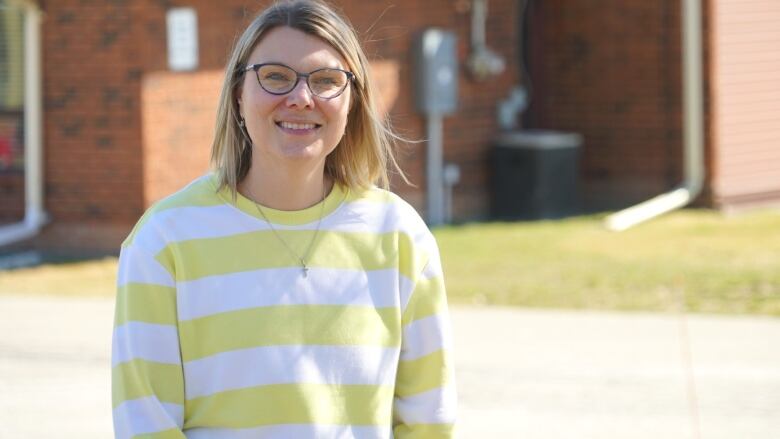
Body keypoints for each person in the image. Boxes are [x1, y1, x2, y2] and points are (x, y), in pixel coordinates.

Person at [111, 0, 456, 438]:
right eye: (275, 77)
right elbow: (146, 424)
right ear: (238, 94)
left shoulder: (401, 237)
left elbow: (429, 422)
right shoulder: (164, 241)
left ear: (353, 101)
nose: (300, 98)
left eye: (328, 80)